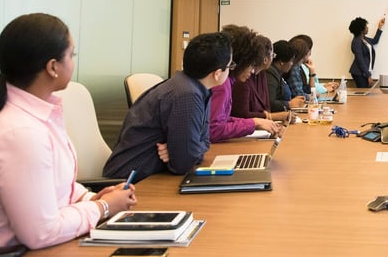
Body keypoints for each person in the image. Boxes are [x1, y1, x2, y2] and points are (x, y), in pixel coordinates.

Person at [0, 13, 136, 252]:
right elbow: (41, 232)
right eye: (72, 55)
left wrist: (89, 198)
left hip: (35, 252)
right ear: (52, 67)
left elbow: (54, 185)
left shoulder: (37, 116)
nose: (73, 61)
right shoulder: (20, 133)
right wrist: (102, 207)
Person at [103, 32, 231, 181]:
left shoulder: (196, 88)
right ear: (217, 73)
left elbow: (205, 142)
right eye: (230, 66)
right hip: (131, 183)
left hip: (150, 175)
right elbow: (183, 164)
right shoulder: (187, 95)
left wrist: (181, 151)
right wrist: (184, 153)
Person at [209, 25, 280, 142]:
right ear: (241, 62)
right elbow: (213, 129)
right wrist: (253, 123)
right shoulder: (222, 84)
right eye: (251, 65)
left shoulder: (227, 81)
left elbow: (222, 119)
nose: (252, 70)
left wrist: (255, 122)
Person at [232, 34, 289, 121]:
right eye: (272, 55)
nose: (273, 58)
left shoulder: (262, 73)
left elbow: (267, 107)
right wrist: (271, 117)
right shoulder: (243, 77)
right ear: (265, 60)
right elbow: (242, 114)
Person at [292, 34, 337, 99]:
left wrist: (312, 71)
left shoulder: (300, 67)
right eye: (309, 50)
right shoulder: (294, 68)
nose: (310, 53)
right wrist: (324, 89)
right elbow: (299, 95)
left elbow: (310, 90)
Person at [266, 40, 305, 112]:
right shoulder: (270, 73)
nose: (292, 64)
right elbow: (269, 103)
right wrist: (289, 104)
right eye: (291, 60)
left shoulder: (277, 72)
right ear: (281, 62)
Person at [348, 16, 385, 88]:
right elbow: (360, 60)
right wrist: (368, 76)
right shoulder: (356, 41)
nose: (367, 28)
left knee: (366, 93)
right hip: (359, 72)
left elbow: (375, 41)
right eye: (366, 26)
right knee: (364, 94)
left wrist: (379, 27)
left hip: (363, 72)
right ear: (361, 29)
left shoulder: (364, 39)